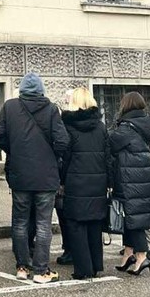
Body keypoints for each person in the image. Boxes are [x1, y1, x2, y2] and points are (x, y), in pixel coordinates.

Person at [0, 72, 69, 284]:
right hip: (46, 176)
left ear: (22, 90)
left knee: (20, 221)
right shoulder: (51, 109)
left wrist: (14, 150)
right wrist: (52, 156)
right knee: (43, 223)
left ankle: (22, 267)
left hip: (20, 174)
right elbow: (62, 141)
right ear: (41, 90)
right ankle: (41, 270)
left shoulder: (10, 107)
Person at [58, 88, 109, 280]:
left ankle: (83, 269)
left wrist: (61, 179)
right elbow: (107, 156)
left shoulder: (67, 126)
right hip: (98, 181)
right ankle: (96, 265)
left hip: (75, 181)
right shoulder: (101, 126)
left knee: (76, 225)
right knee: (94, 224)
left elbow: (64, 156)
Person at [109, 92, 150, 277]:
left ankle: (142, 256)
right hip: (142, 175)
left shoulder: (126, 128)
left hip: (129, 177)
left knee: (133, 219)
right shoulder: (146, 123)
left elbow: (111, 142)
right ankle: (129, 253)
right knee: (130, 217)